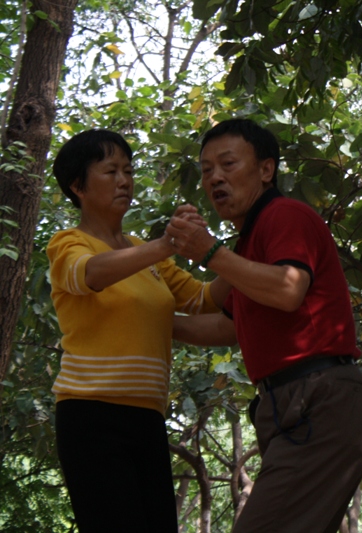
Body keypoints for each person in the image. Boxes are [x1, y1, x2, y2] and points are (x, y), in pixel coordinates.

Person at [166, 118, 362, 533]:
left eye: (228, 164)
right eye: (207, 170)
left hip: (321, 399)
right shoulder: (248, 243)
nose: (215, 178)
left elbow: (287, 289)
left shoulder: (285, 216)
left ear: (266, 169)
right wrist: (151, 318)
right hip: (291, 407)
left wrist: (209, 251)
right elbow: (228, 327)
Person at [47, 129, 228, 533]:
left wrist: (233, 247)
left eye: (128, 170)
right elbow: (91, 274)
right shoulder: (68, 244)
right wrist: (167, 243)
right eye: (110, 171)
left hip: (147, 417)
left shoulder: (145, 253)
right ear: (77, 185)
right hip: (90, 416)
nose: (125, 180)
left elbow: (204, 299)